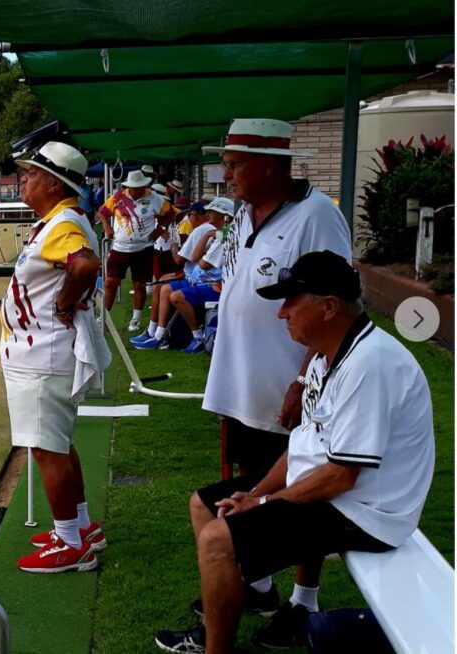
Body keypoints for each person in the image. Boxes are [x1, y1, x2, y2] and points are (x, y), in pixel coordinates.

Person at [155, 251, 435, 654]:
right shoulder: (328, 355)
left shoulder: (371, 365)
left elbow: (342, 476)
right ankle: (247, 598)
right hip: (343, 493)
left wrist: (265, 500)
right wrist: (256, 497)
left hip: (370, 512)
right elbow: (305, 444)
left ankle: (216, 646)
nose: (282, 313)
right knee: (204, 504)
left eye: (291, 302)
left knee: (218, 538)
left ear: (328, 307)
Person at [199, 118, 352, 645]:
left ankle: (304, 601)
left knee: (302, 484)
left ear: (269, 164)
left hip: (288, 378)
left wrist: (304, 376)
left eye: (234, 163)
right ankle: (258, 581)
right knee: (251, 473)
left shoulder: (317, 216)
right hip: (243, 376)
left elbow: (336, 303)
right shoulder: (242, 216)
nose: (227, 172)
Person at [0, 141, 108, 573]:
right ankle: (79, 528)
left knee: (47, 449)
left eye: (30, 174)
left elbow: (84, 265)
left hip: (40, 354)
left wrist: (63, 303)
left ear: (52, 181)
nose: (24, 180)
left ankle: (69, 543)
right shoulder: (58, 221)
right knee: (57, 443)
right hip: (37, 351)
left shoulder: (62, 223)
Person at [133, 198, 233, 352]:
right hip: (199, 279)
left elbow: (200, 263)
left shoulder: (224, 235)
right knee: (164, 288)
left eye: (212, 211)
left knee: (175, 295)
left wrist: (176, 248)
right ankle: (159, 336)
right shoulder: (212, 231)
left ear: (222, 215)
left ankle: (198, 336)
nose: (208, 214)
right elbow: (195, 258)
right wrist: (207, 236)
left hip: (211, 283)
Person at [97, 170, 177, 330]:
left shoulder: (155, 199)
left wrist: (160, 229)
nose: (138, 191)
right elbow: (102, 212)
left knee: (140, 284)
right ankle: (104, 317)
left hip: (143, 248)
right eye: (135, 188)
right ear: (128, 187)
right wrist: (107, 228)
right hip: (120, 247)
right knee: (110, 282)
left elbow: (170, 213)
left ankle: (136, 319)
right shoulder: (118, 198)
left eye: (141, 187)